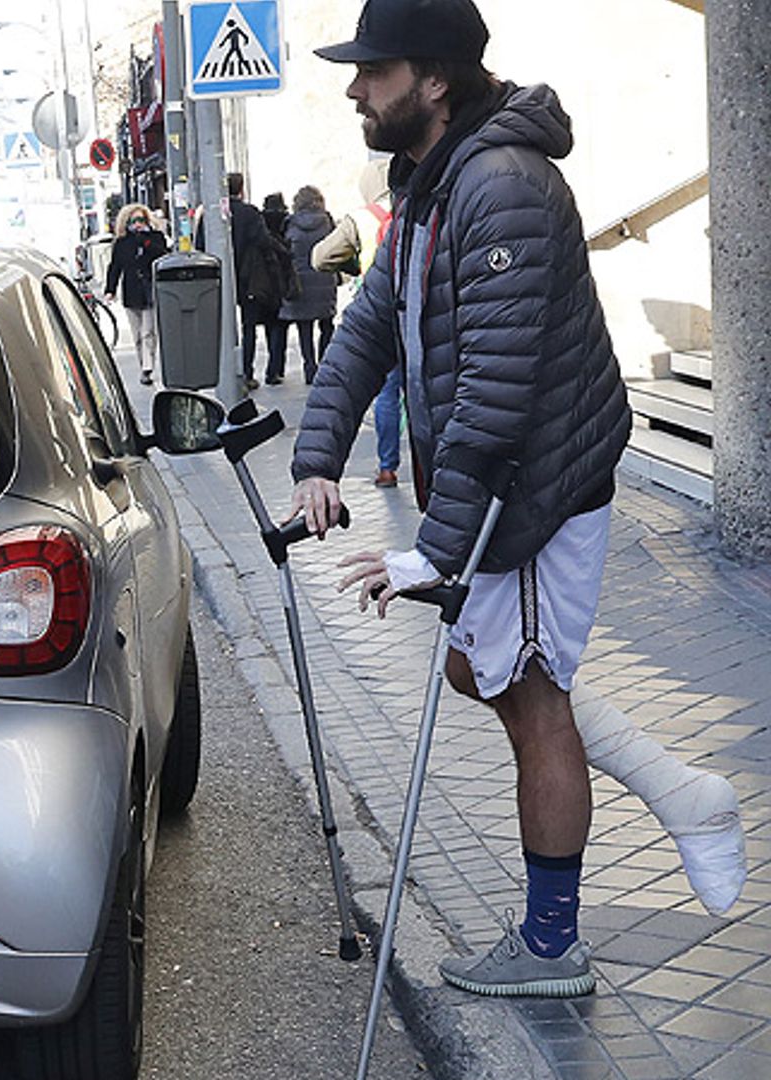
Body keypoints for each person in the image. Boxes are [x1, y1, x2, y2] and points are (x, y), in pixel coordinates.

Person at [289, 0, 745, 999]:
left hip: (535, 492)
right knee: (482, 672)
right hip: (502, 486)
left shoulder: (502, 188)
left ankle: (553, 948)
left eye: (375, 69)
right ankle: (686, 792)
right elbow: (370, 327)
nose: (356, 87)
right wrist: (317, 456)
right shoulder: (429, 185)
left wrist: (436, 553)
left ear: (436, 81)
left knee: (531, 701)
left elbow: (496, 396)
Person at [314, 162, 403, 485]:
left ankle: (387, 466)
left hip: (380, 314)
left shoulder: (362, 218)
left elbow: (320, 257)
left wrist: (354, 265)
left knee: (388, 396)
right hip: (419, 312)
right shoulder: (421, 203)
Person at [196, 173, 270, 389]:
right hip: (248, 276)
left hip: (218, 276)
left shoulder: (210, 214)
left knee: (221, 324)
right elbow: (263, 241)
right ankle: (246, 371)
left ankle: (223, 370)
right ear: (241, 189)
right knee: (249, 326)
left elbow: (199, 244)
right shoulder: (250, 213)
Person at [278, 186, 341, 385]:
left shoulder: (290, 224)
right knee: (327, 323)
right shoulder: (327, 222)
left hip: (300, 282)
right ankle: (324, 362)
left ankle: (309, 366)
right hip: (324, 278)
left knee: (304, 327)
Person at [104, 202, 170, 385]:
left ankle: (148, 368)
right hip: (131, 290)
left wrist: (146, 241)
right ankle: (143, 365)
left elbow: (163, 255)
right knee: (137, 334)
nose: (138, 223)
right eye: (134, 220)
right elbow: (115, 267)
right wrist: (110, 290)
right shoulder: (122, 243)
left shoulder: (155, 237)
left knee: (148, 331)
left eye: (142, 219)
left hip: (149, 289)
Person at [258, 192, 300, 385]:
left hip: (266, 279)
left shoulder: (261, 222)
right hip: (283, 278)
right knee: (280, 328)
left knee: (270, 325)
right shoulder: (287, 221)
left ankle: (271, 369)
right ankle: (277, 368)